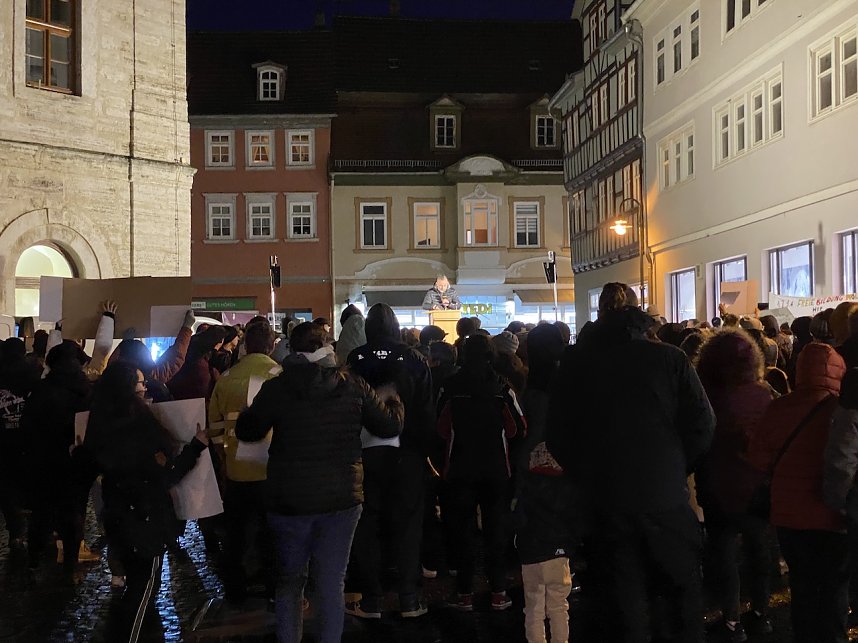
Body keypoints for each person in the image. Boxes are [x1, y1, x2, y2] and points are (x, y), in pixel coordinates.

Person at [547, 286, 715, 642]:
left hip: (604, 498)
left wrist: (586, 473)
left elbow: (558, 432)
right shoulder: (670, 359)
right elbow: (703, 422)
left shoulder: (577, 362)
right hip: (664, 496)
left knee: (621, 599)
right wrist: (675, 465)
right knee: (678, 592)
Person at [236, 322, 404, 643]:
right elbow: (388, 426)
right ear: (327, 346)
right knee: (331, 583)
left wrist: (248, 412)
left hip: (288, 500)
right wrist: (394, 401)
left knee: (289, 581)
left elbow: (248, 431)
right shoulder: (353, 385)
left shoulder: (277, 388)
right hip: (342, 498)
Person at [83, 361, 209, 642]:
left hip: (117, 517)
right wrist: (196, 447)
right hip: (145, 521)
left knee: (136, 588)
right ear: (129, 390)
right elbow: (166, 476)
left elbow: (87, 466)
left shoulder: (100, 423)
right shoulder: (140, 428)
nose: (144, 387)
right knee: (143, 588)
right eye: (140, 383)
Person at [749, 343, 847, 643]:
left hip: (789, 516)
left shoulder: (779, 408)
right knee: (833, 587)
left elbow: (758, 459)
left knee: (802, 585)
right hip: (833, 515)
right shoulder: (843, 412)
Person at [346, 303, 437, 619]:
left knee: (367, 523)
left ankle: (372, 599)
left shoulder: (356, 359)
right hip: (407, 454)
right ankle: (409, 597)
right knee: (409, 524)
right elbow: (427, 410)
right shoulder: (414, 360)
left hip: (365, 452)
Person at [695, 328, 775, 640]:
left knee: (724, 552)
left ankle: (731, 621)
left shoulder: (704, 395)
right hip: (757, 484)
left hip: (717, 485)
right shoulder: (763, 393)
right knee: (759, 549)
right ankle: (761, 613)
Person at [437, 334, 527, 611]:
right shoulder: (502, 387)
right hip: (497, 469)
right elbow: (518, 429)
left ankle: (464, 592)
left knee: (463, 532)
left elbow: (440, 428)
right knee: (495, 530)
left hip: (460, 468)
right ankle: (498, 591)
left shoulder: (450, 386)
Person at [208, 321, 282, 604]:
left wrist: (224, 457)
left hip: (237, 471)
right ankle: (272, 587)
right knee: (271, 533)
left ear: (245, 345)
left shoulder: (226, 378)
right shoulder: (279, 375)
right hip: (271, 469)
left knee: (236, 534)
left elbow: (214, 426)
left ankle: (235, 589)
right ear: (271, 345)